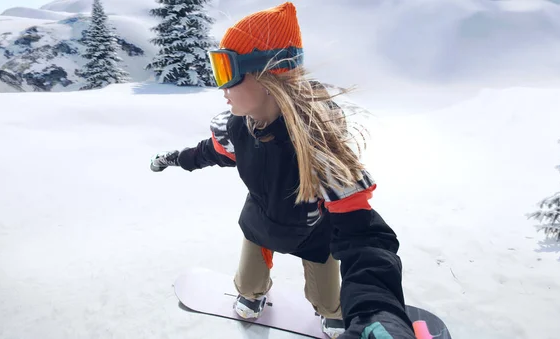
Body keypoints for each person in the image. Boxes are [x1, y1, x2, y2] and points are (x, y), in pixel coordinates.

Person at [150, 2, 417, 338]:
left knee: (329, 299)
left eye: (226, 71)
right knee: (247, 280)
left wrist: (377, 310)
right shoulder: (235, 129)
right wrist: (173, 158)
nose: (221, 87)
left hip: (312, 233)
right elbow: (209, 152)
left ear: (268, 76)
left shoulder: (317, 146)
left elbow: (363, 235)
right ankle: (252, 295)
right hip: (260, 222)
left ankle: (333, 313)